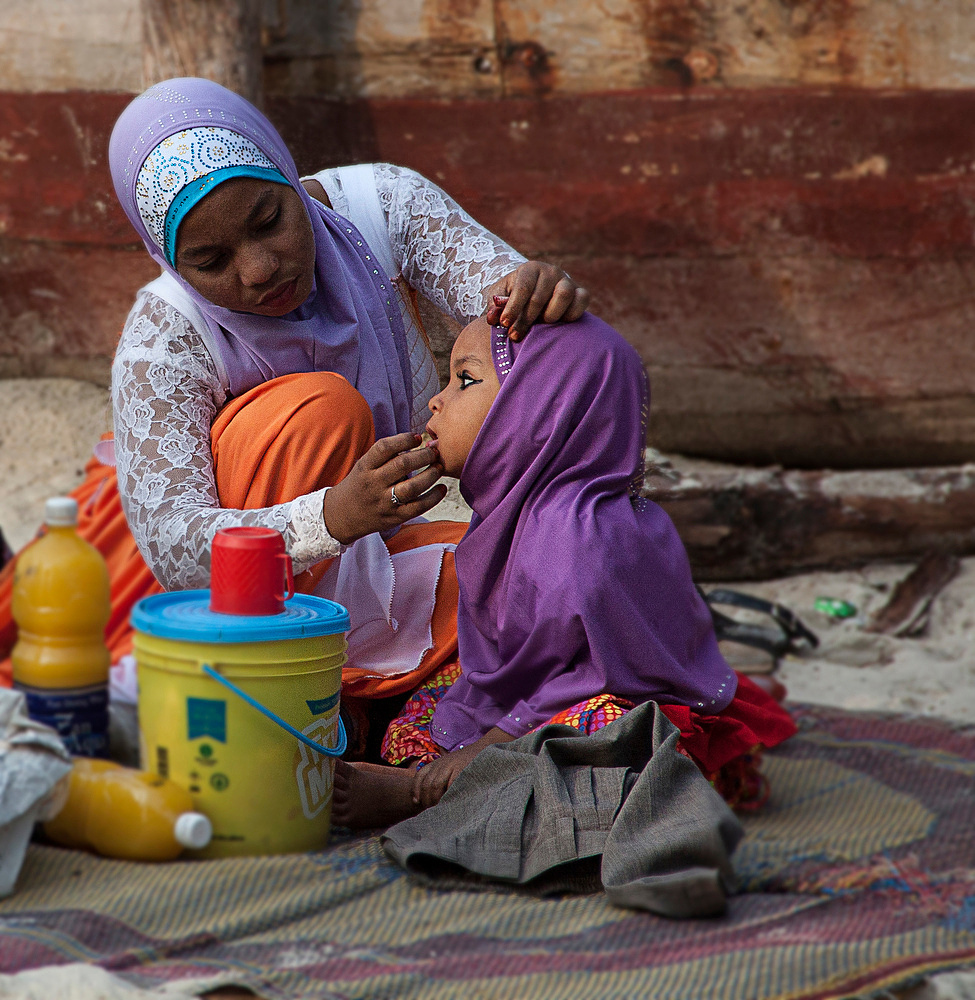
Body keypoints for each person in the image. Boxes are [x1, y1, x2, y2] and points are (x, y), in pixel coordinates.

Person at [0, 77, 587, 726]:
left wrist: (539, 300)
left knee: (536, 589)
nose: (258, 269)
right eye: (210, 259)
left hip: (357, 553)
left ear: (285, 172)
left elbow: (527, 331)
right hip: (183, 589)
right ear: (167, 261)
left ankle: (343, 689)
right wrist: (331, 517)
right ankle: (300, 683)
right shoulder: (164, 336)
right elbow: (174, 549)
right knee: (321, 413)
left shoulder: (383, 209)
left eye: (269, 222)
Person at [333, 312, 797, 827]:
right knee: (429, 707)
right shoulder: (510, 516)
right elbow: (518, 661)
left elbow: (597, 677)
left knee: (606, 741)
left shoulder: (578, 533)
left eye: (465, 380)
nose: (437, 401)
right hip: (534, 703)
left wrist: (490, 744)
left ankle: (424, 796)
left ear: (537, 413)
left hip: (616, 707)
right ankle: (449, 784)